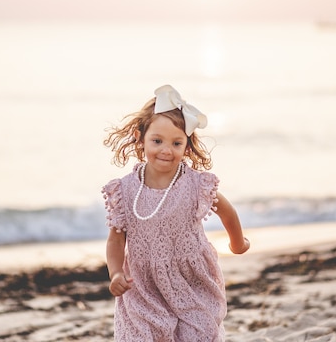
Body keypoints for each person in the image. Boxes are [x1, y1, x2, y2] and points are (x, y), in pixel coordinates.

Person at [102, 84, 250, 341]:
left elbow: (227, 212)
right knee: (144, 334)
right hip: (143, 286)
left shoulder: (195, 185)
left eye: (176, 142)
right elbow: (116, 239)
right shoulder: (124, 191)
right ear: (141, 137)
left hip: (192, 280)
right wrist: (116, 272)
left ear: (187, 146)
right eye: (157, 141)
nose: (166, 150)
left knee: (198, 332)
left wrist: (237, 243)